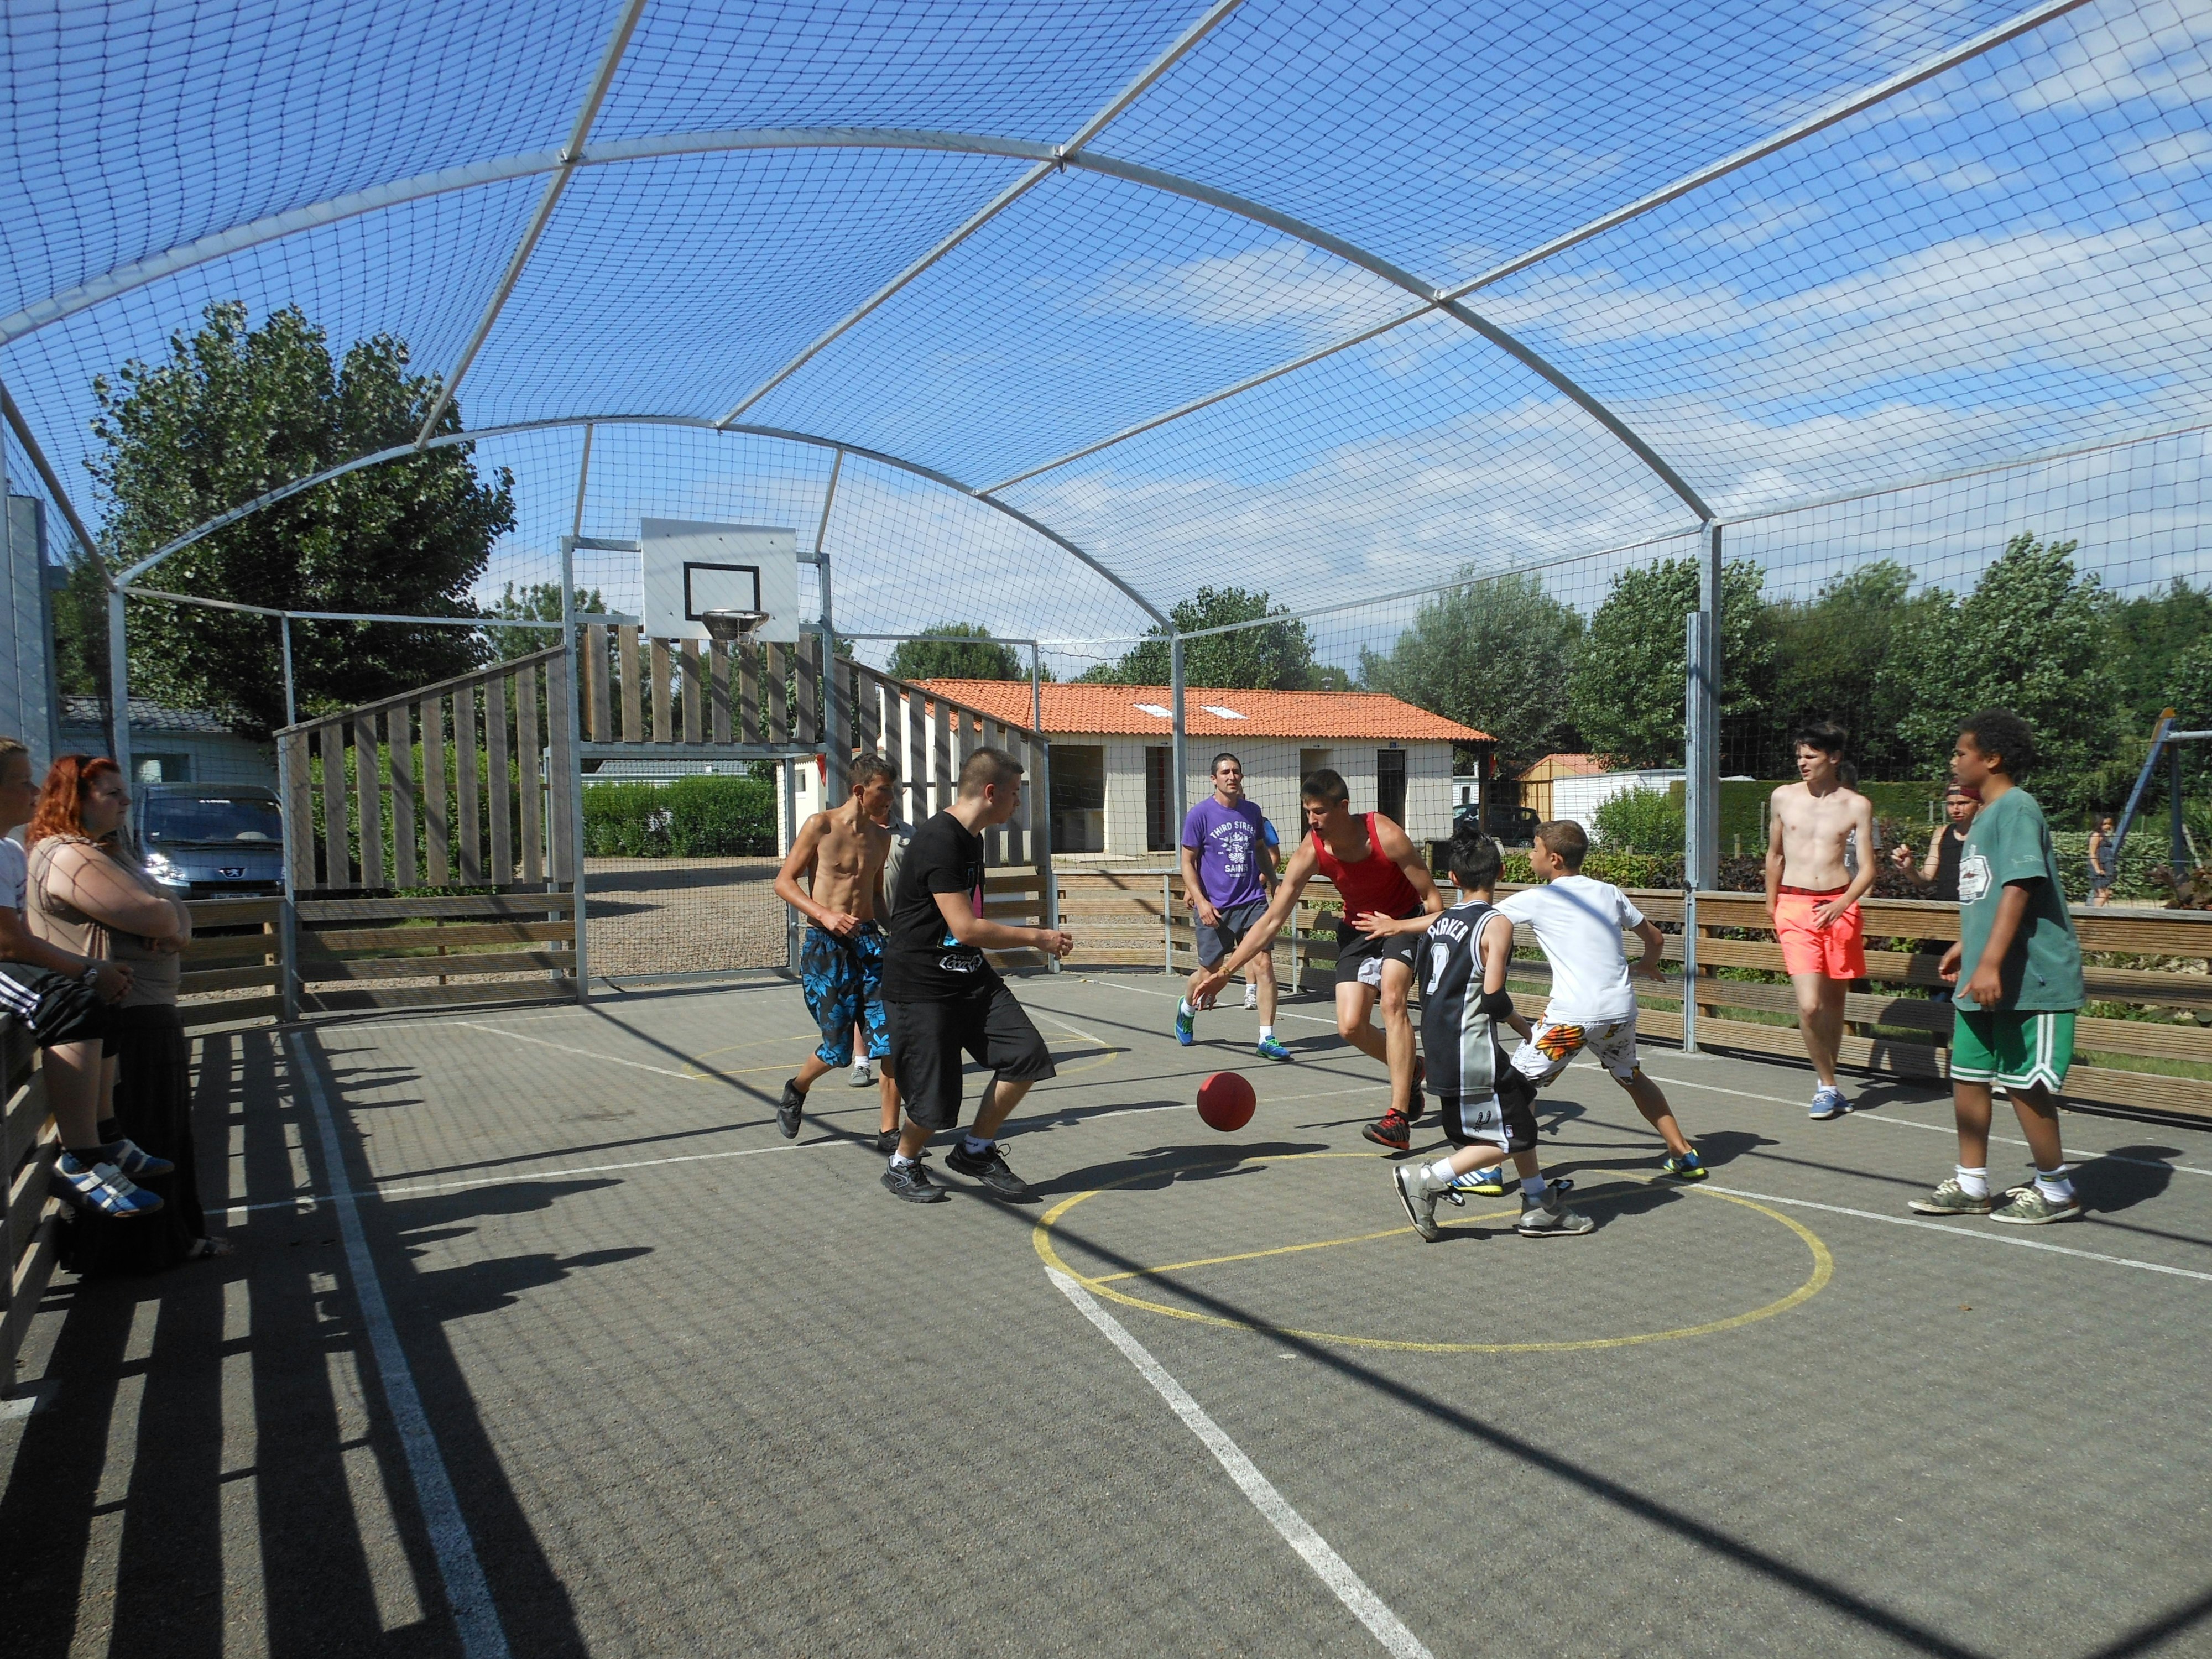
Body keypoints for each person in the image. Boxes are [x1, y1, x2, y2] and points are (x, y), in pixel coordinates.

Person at [1192, 768, 1442, 1150]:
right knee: (1350, 1026)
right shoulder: (1312, 850)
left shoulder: (1386, 835)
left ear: (1344, 807)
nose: (1313, 820)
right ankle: (1412, 1069)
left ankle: (1398, 1117)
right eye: (1308, 812)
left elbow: (1436, 902)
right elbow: (1272, 919)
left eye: (1320, 812)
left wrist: (1402, 927)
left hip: (1402, 922)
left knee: (1393, 1000)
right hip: (1358, 930)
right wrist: (1228, 971)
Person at [30, 755, 215, 1256]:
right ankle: (138, 1252)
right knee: (145, 1124)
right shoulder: (68, 854)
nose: (125, 802)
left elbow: (174, 910)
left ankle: (173, 1238)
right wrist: (168, 919)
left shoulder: (106, 852)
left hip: (145, 1007)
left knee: (163, 1130)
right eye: (111, 794)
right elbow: (154, 913)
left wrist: (172, 920)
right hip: (127, 1010)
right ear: (76, 799)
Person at [1909, 711, 2085, 1224]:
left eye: (1961, 752)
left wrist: (1989, 961)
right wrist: (1969, 944)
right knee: (1967, 1074)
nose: (1953, 760)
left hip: (2029, 977)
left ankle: (2057, 1190)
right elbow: (1987, 892)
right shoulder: (1981, 816)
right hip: (1984, 973)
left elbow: (2021, 885)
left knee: (2023, 1082)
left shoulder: (2016, 809)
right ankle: (1972, 1184)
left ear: (1991, 759)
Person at [1378, 825, 1595, 1240]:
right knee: (1513, 1136)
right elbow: (1493, 997)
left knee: (1522, 1101)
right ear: (1500, 870)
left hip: (1439, 1041)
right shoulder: (1496, 924)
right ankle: (1427, 1178)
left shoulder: (1440, 922)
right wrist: (1523, 1027)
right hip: (1470, 1047)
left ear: (1453, 879)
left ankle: (1537, 1202)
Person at [879, 747, 1074, 1203]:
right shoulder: (939, 840)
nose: (1018, 804)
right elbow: (965, 928)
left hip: (969, 980)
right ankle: (902, 1164)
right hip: (921, 988)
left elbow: (966, 926)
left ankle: (975, 1150)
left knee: (1026, 1055)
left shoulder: (973, 839)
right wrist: (1037, 937)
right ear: (991, 792)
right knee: (935, 1103)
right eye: (1014, 794)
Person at [1494, 820, 1707, 1181]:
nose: (1530, 854)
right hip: (1618, 1012)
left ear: (1555, 859)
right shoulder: (1608, 893)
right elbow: (1655, 938)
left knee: (1516, 1087)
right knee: (1631, 1076)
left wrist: (1405, 926)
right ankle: (1683, 1152)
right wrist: (1646, 965)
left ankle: (1488, 1169)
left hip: (1573, 1017)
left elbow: (1477, 918)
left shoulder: (1539, 898)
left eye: (1535, 848)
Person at [0, 742, 150, 1219]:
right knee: (73, 1004)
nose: (33, 790)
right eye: (21, 781)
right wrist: (89, 967)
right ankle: (81, 1161)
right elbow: (8, 946)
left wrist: (92, 975)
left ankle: (106, 1137)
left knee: (93, 998)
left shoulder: (8, 850)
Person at [774, 755, 903, 1152]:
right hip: (824, 945)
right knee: (838, 1049)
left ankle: (888, 1131)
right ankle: (797, 1089)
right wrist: (825, 915)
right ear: (860, 791)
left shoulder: (882, 838)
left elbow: (876, 899)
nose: (891, 799)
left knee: (891, 1039)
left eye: (893, 790)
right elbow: (784, 882)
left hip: (868, 943)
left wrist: (898, 934)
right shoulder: (821, 825)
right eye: (884, 790)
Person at [1764, 720, 1878, 1120]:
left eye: (1810, 756)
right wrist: (1772, 902)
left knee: (1833, 1004)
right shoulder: (1783, 797)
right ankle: (1826, 1084)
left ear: (1834, 758)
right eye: (1799, 756)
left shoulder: (1856, 805)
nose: (1802, 763)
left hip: (1840, 906)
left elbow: (1868, 869)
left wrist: (1843, 903)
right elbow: (1774, 854)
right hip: (1795, 907)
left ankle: (1831, 1084)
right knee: (1810, 1006)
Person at [1175, 753, 1291, 1061]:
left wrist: (1274, 881)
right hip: (1216, 906)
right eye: (1225, 772)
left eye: (1236, 772)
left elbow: (1260, 850)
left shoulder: (1252, 812)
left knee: (1264, 963)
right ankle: (1186, 1009)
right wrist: (1200, 899)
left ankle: (1267, 1037)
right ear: (1214, 779)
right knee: (1208, 972)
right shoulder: (1200, 815)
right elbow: (1187, 861)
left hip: (1252, 900)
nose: (1232, 777)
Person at [1892, 781, 1981, 1003]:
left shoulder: (1987, 833)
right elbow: (1925, 880)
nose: (1956, 809)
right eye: (1951, 804)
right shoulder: (1942, 833)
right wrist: (1909, 869)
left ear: (1978, 804)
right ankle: (1938, 1036)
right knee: (1940, 988)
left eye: (1963, 803)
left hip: (1976, 919)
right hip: (1945, 919)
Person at [2088, 813, 2117, 907]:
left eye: (2109, 824)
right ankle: (2094, 914)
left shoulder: (2104, 836)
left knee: (2101, 893)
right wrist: (2097, 869)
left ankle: (2094, 912)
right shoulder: (2096, 835)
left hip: (2105, 866)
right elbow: (2092, 853)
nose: (2108, 826)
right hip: (2099, 867)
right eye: (2105, 824)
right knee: (2103, 894)